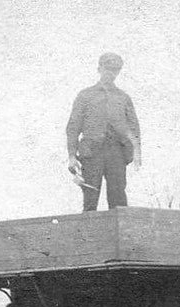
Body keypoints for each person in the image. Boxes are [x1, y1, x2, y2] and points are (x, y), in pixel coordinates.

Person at [66, 52, 141, 212]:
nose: (110, 73)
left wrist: (135, 153)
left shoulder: (123, 98)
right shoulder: (85, 95)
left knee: (118, 199)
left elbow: (134, 128)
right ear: (99, 69)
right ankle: (87, 236)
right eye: (107, 69)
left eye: (115, 70)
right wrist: (72, 156)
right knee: (90, 198)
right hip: (92, 153)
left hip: (117, 153)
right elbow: (73, 127)